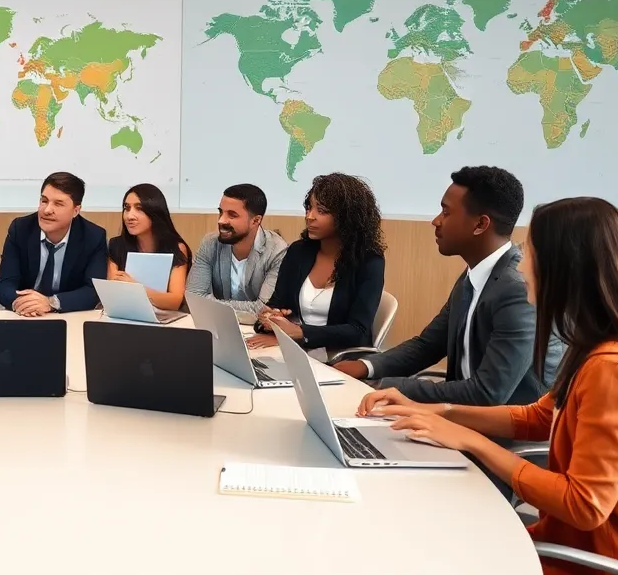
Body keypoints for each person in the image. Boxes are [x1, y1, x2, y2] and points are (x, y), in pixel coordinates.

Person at [359, 197, 618, 575]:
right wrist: (437, 412)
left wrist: (470, 440)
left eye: (532, 255)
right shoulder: (601, 348)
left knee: (428, 567)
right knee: (429, 539)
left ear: (565, 270)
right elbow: (536, 418)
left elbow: (584, 506)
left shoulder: (617, 371)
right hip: (583, 550)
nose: (522, 268)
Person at [334, 166, 563, 405]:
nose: (436, 221)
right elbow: (428, 346)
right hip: (462, 418)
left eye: (446, 212)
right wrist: (364, 367)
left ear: (480, 225)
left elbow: (487, 394)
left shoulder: (516, 289)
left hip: (503, 432)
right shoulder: (473, 276)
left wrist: (386, 386)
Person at [249, 173, 385, 356]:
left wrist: (300, 333)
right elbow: (277, 304)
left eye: (321, 210)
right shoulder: (298, 252)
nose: (309, 217)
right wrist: (269, 318)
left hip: (341, 359)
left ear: (347, 217)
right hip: (299, 353)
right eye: (309, 208)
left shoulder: (369, 261)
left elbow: (357, 330)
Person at [0, 172, 107, 316]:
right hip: (24, 314)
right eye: (44, 201)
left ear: (76, 210)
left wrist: (50, 302)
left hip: (66, 314)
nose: (47, 210)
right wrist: (27, 304)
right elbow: (5, 284)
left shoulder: (93, 236)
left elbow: (93, 291)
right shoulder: (21, 229)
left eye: (58, 204)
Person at [185, 183, 288, 316]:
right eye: (220, 212)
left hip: (258, 330)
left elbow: (264, 308)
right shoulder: (210, 244)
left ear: (256, 221)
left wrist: (209, 303)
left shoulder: (277, 252)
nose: (221, 220)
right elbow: (193, 299)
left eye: (232, 215)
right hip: (218, 326)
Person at [106, 183, 192, 311]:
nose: (130, 216)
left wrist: (136, 289)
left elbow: (175, 301)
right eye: (127, 208)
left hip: (165, 319)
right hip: (125, 315)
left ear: (155, 211)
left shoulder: (176, 248)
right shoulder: (116, 245)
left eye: (139, 208)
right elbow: (113, 294)